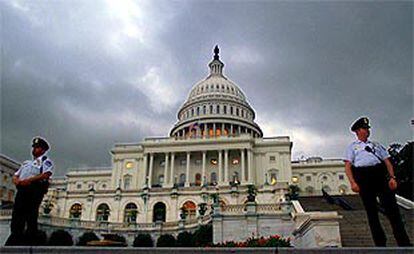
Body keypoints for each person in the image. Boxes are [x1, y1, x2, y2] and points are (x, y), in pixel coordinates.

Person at [344, 117, 411, 247]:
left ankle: (404, 242)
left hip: (379, 175)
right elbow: (348, 166)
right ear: (357, 131)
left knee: (393, 210)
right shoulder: (352, 148)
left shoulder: (376, 145)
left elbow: (387, 162)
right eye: (364, 129)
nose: (367, 131)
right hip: (363, 177)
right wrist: (353, 183)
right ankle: (380, 244)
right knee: (371, 213)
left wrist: (392, 178)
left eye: (368, 129)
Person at [5, 137, 53, 246]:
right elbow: (16, 175)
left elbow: (46, 174)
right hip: (22, 189)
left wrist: (28, 180)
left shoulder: (46, 161)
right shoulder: (26, 163)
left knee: (31, 214)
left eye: (37, 148)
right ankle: (15, 236)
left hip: (34, 189)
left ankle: (31, 239)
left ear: (43, 150)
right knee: (17, 213)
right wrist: (17, 181)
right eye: (34, 147)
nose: (34, 149)